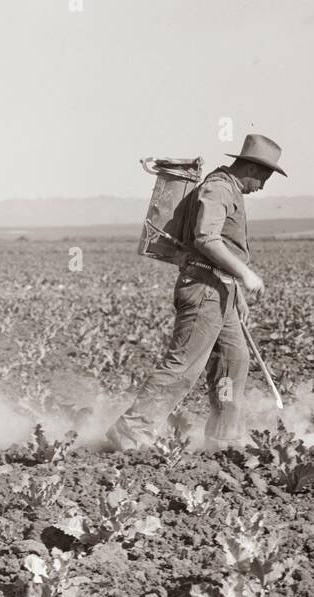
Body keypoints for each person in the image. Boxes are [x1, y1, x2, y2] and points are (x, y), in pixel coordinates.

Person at [106, 133, 286, 451]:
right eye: (266, 176)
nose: (264, 185)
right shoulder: (218, 188)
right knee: (184, 365)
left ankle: (224, 438)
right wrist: (246, 274)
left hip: (219, 289)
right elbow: (206, 239)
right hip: (204, 290)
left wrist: (236, 293)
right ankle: (132, 430)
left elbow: (220, 249)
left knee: (234, 358)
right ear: (253, 168)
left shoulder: (230, 190)